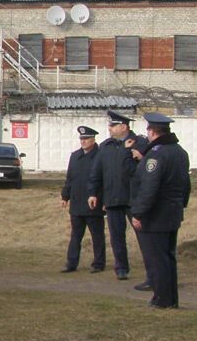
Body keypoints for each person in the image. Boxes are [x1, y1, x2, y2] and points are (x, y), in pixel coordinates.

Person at [130, 112, 191, 309]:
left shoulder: (156, 154)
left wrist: (138, 213)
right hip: (172, 212)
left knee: (156, 259)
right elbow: (185, 184)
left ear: (152, 131)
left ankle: (161, 299)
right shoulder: (179, 152)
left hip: (155, 215)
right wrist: (181, 205)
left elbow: (149, 187)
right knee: (168, 257)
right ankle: (171, 298)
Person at [87, 110, 149, 283]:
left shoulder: (140, 143)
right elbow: (96, 172)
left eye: (113, 126)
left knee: (143, 235)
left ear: (123, 126)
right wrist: (93, 192)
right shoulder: (106, 146)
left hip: (133, 199)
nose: (110, 128)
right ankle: (121, 268)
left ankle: (151, 268)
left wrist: (140, 157)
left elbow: (147, 170)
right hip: (113, 198)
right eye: (110, 125)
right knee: (116, 236)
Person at [60, 125, 105, 273]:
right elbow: (70, 179)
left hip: (93, 204)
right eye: (82, 139)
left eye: (86, 138)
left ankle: (98, 263)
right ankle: (71, 263)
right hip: (77, 203)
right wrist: (65, 196)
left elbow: (104, 181)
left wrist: (103, 201)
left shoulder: (101, 155)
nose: (83, 141)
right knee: (75, 236)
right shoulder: (75, 156)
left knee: (97, 236)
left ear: (93, 139)